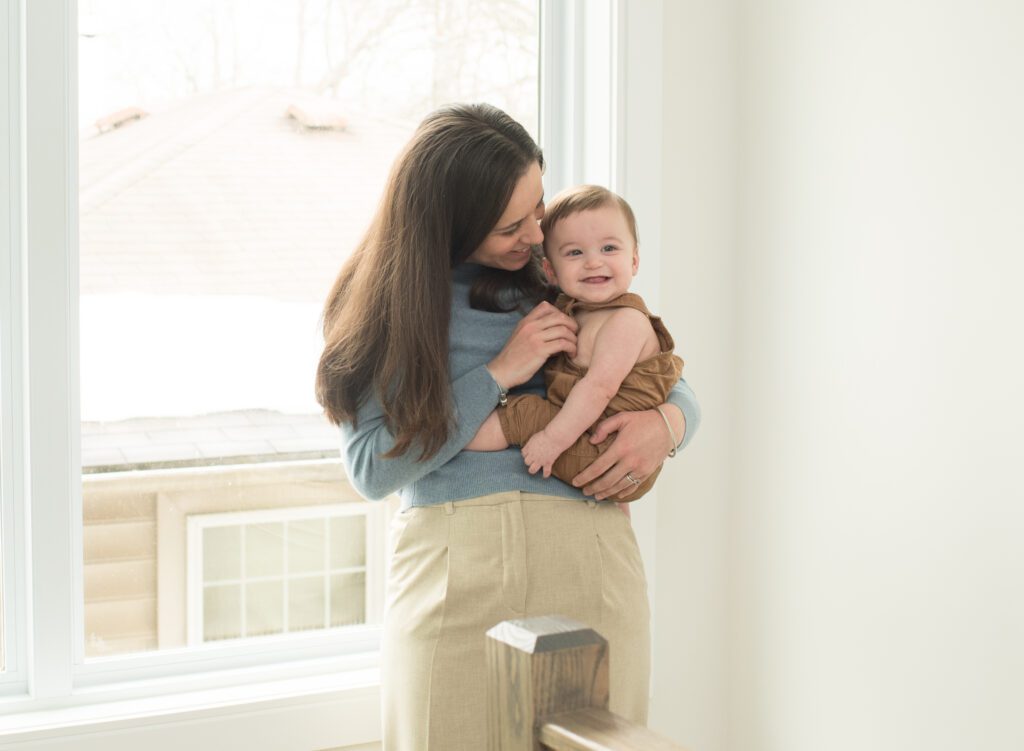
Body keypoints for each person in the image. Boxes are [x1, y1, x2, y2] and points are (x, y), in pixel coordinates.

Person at [315, 103, 700, 751]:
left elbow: (656, 366)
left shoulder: (559, 275)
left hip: (589, 566)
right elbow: (372, 467)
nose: (534, 235)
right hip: (453, 577)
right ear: (452, 225)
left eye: (538, 208)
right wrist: (498, 371)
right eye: (510, 226)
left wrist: (670, 422)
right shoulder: (389, 308)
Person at [465, 185, 683, 504]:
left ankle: (449, 445)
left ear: (634, 260)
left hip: (608, 447)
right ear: (550, 271)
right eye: (575, 253)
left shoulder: (625, 321)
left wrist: (551, 441)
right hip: (595, 440)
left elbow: (599, 389)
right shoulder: (575, 309)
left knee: (524, 413)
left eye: (609, 248)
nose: (594, 263)